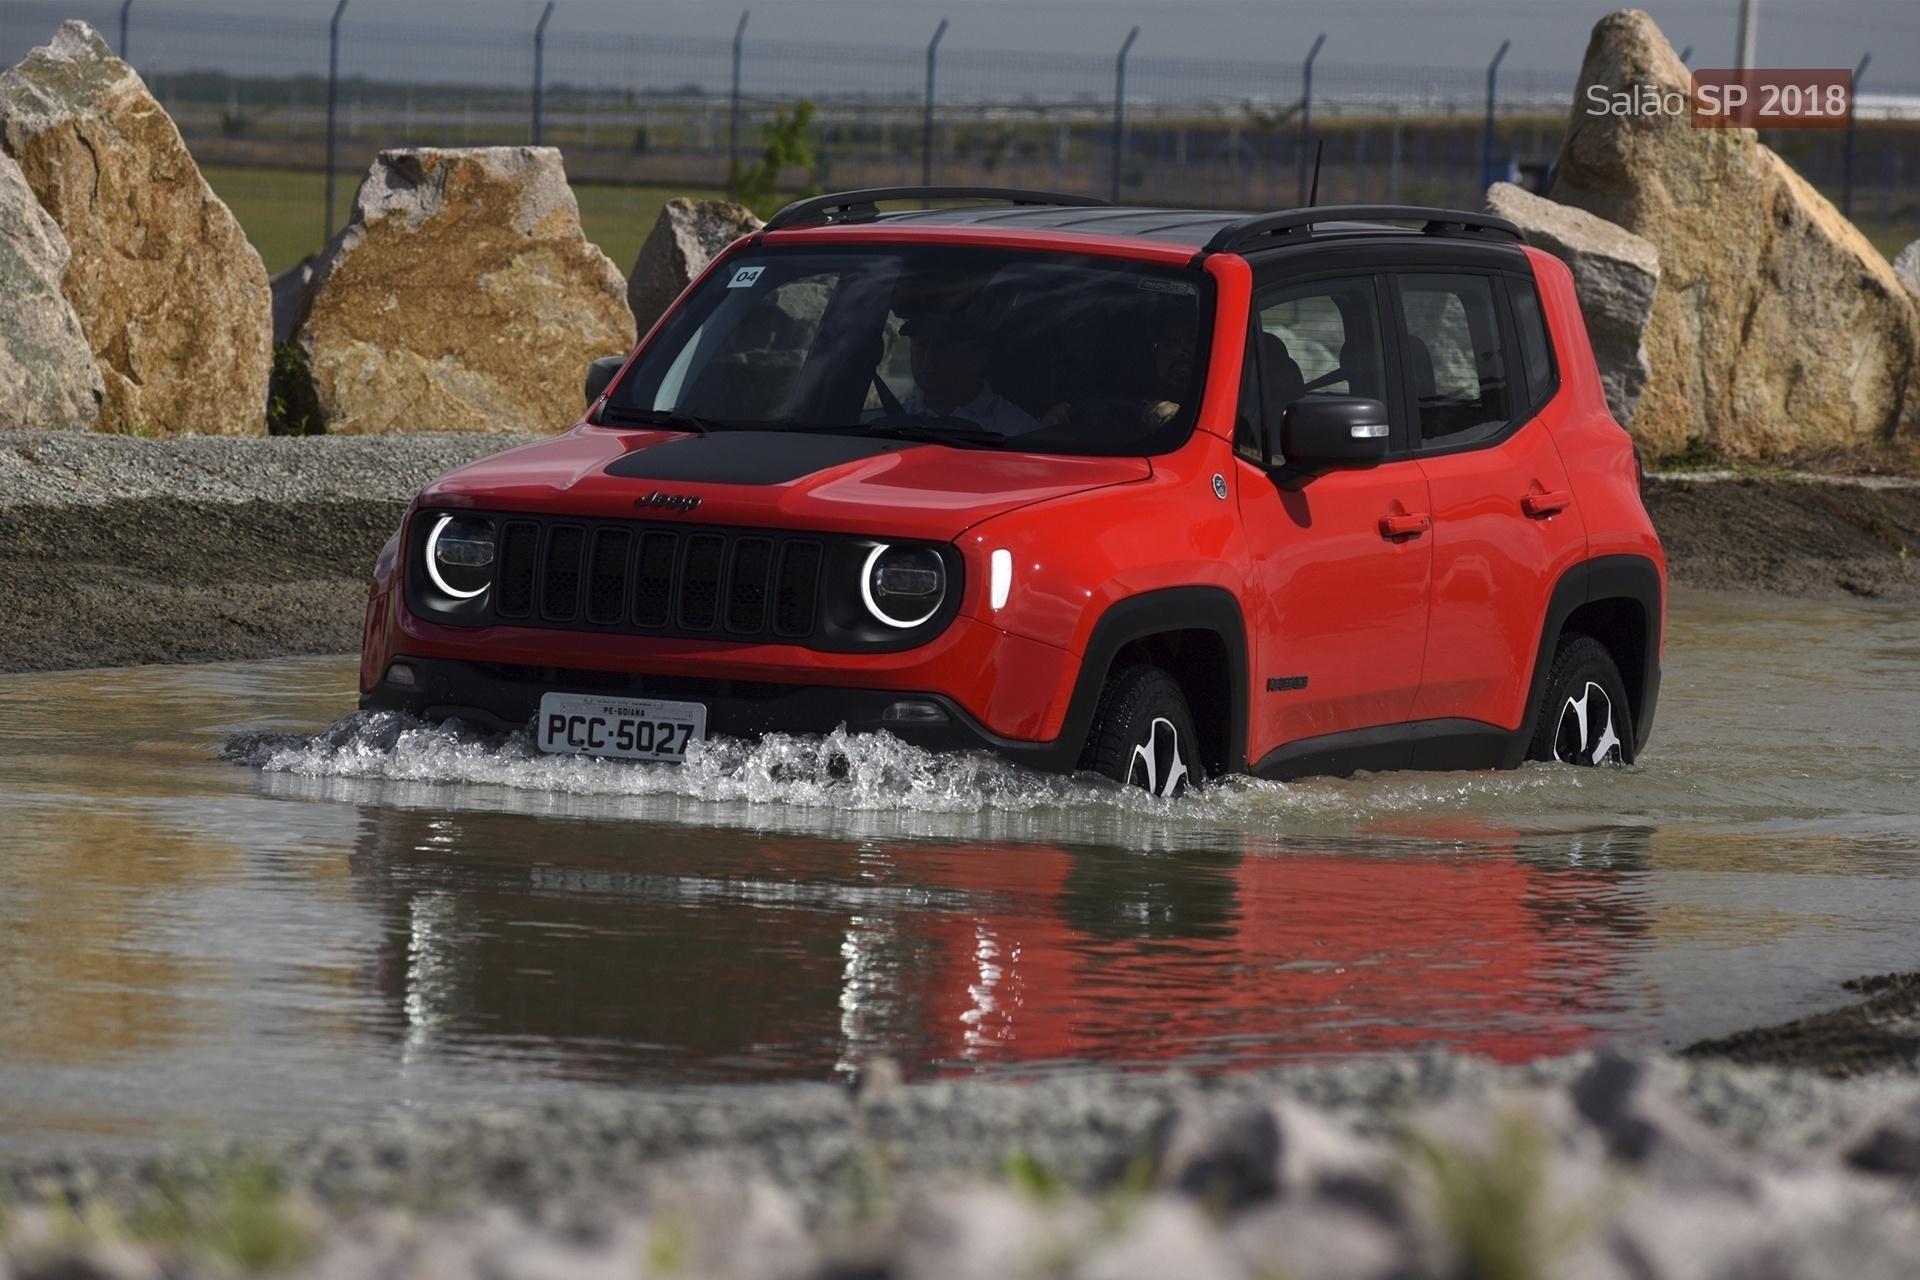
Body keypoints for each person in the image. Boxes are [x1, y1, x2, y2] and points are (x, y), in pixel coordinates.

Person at [881, 308, 1041, 437]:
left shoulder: (1019, 433)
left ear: (978, 357)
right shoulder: (879, 426)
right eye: (921, 345)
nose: (928, 357)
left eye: (942, 346)